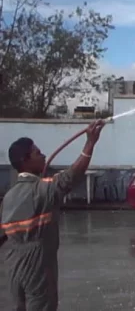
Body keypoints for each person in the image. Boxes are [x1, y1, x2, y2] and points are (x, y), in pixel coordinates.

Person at [0, 119, 105, 311]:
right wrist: (90, 143)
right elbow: (71, 177)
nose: (43, 156)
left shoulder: (8, 196)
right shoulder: (42, 189)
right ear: (25, 160)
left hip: (13, 266)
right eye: (38, 153)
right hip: (37, 265)